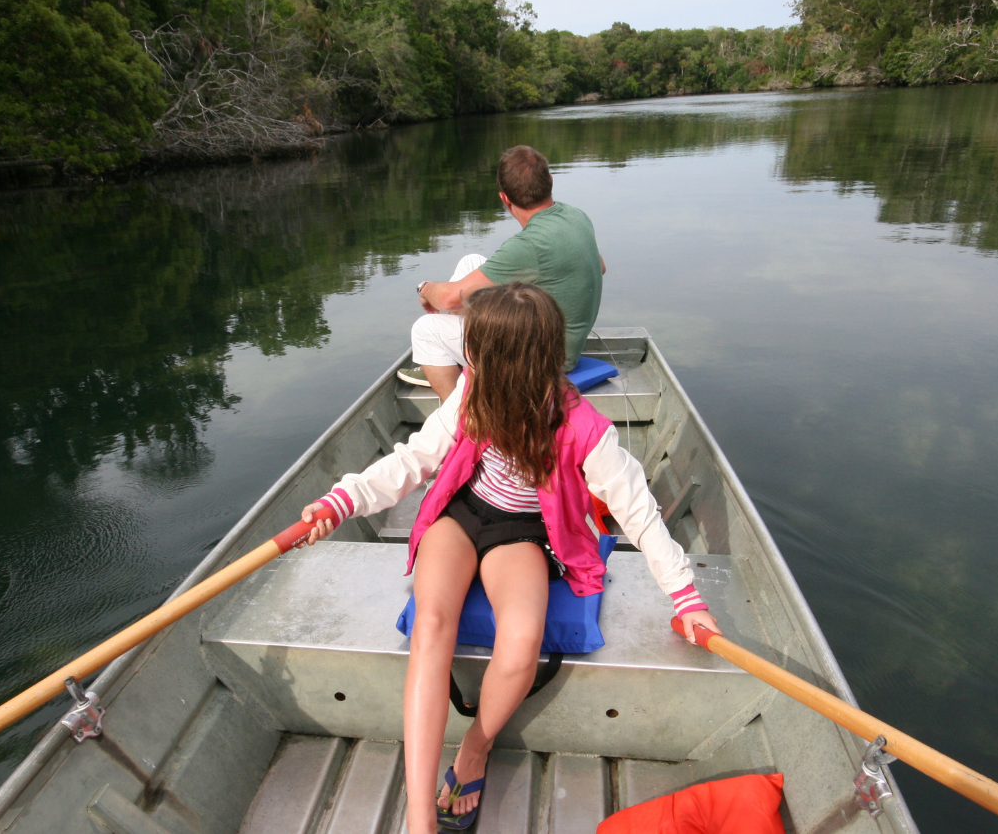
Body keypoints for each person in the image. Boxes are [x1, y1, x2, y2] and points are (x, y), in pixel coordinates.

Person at [300, 283, 721, 833]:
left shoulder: (584, 429)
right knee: (431, 622)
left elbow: (638, 513)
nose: (464, 354)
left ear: (496, 357)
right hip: (463, 513)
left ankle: (475, 749)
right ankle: (420, 816)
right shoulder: (472, 393)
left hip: (523, 533)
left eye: (470, 345)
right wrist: (344, 498)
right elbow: (416, 459)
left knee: (521, 645)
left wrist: (685, 596)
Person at [400, 145, 605, 402]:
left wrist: (424, 288)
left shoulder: (530, 244)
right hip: (557, 340)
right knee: (470, 263)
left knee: (426, 329)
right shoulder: (576, 216)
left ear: (504, 198)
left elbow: (448, 300)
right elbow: (600, 266)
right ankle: (459, 362)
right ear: (550, 181)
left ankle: (463, 417)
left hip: (544, 361)